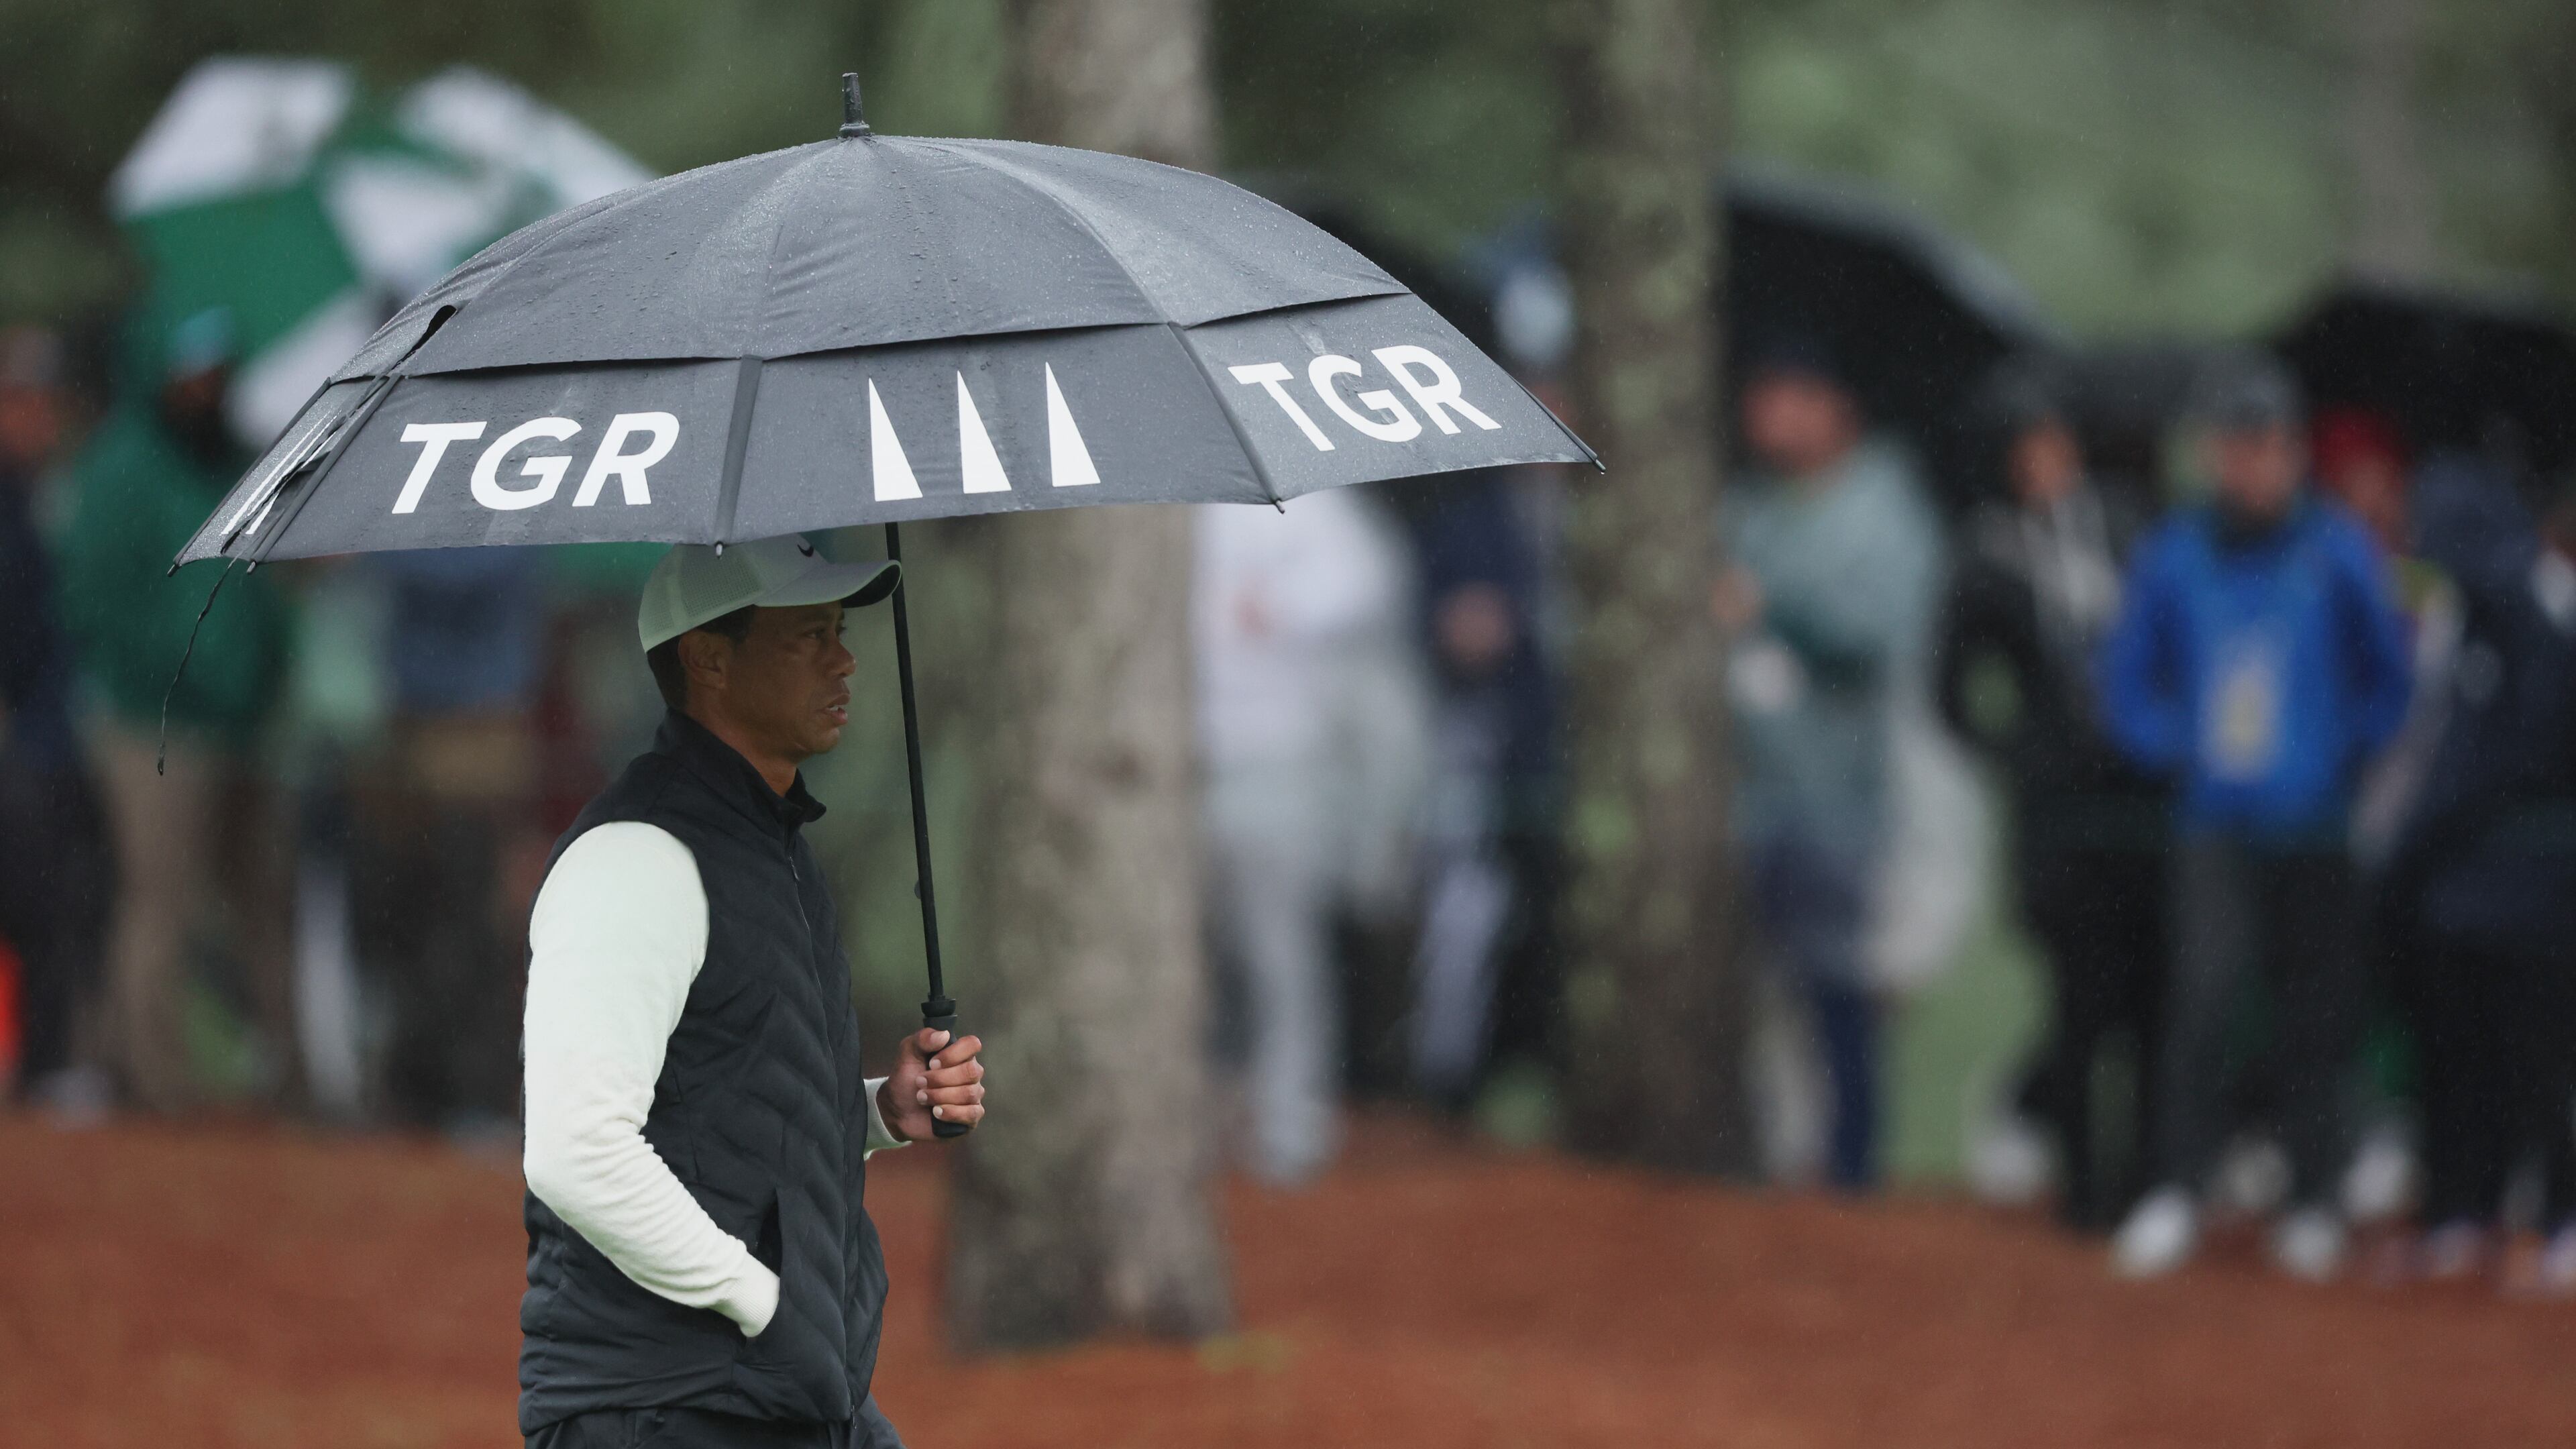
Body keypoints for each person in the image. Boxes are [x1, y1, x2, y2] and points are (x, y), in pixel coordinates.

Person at [519, 534, 983, 1449]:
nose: (844, 657)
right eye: (808, 635)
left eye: (838, 630)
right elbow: (576, 1152)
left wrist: (881, 1112)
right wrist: (765, 1305)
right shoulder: (636, 858)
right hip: (672, 1407)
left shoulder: (769, 843)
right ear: (710, 660)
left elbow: (716, 1102)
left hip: (773, 1393)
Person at [2099, 353, 2412, 1282]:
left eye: (2266, 447)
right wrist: (2172, 747)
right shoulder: (2176, 552)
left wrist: (2339, 755)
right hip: (2211, 820)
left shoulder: (2338, 551)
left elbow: (2387, 678)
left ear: (2292, 453)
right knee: (2201, 998)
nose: (2249, 466)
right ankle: (2175, 1190)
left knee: (2317, 1013)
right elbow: (2127, 677)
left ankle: (2314, 1195)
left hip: (2311, 824)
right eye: (2233, 449)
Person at [1935, 363, 2166, 1230]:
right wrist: (2018, 754)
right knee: (2080, 1000)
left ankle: (2149, 1178)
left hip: (2143, 806)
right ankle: (2084, 1191)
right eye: (2026, 449)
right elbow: (1950, 691)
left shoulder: (2126, 526)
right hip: (2060, 818)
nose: (2045, 461)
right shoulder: (1987, 554)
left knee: (2149, 998)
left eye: (2053, 442)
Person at [1716, 334, 1944, 1193]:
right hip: (1748, 787)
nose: (1769, 414)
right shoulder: (1749, 508)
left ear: (1838, 409)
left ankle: (1852, 1169)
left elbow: (1876, 633)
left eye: (1790, 396)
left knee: (1838, 988)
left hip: (1838, 794)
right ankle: (1772, 1155)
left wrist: (1773, 606)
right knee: (1744, 996)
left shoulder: (1884, 510)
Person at [54, 305, 296, 1114]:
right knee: (161, 902)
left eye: (216, 369)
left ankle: (292, 1080)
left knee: (265, 901)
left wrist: (263, 675)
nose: (205, 384)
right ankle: (155, 1082)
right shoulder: (117, 467)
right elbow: (93, 603)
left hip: (243, 722)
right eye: (190, 369)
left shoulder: (241, 459)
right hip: (149, 724)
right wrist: (174, 674)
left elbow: (266, 589)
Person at [1195, 486, 1429, 1185]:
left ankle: (1291, 1128)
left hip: (1282, 762)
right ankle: (1210, 1121)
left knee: (1281, 956)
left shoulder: (1305, 500)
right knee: (1197, 968)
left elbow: (1370, 578)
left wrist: (1278, 609)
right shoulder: (1160, 499)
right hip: (1176, 767)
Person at [2383, 455, 2576, 1293]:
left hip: (2533, 892)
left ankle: (2561, 1219)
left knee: (2544, 1062)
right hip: (2450, 892)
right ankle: (2462, 1214)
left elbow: (2493, 759)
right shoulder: (2451, 623)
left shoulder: (2542, 623)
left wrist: (2413, 840)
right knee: (2457, 1059)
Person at [350, 546, 549, 1134]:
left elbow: (479, 573)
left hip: (482, 737)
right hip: (407, 735)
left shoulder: (507, 510)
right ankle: (417, 1088)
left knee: (472, 925)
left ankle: (473, 1091)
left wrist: (384, 548)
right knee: (406, 920)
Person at [1399, 473, 1564, 1112]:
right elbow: (1432, 624)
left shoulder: (1611, 513)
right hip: (1484, 759)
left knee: (1552, 932)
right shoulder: (1470, 522)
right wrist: (1456, 632)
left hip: (1565, 763)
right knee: (1465, 924)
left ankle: (1545, 1074)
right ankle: (1450, 1083)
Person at [0, 326, 116, 1114]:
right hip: (20, 729)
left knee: (46, 899)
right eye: (23, 401)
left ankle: (43, 1062)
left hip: (47, 731)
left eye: (46, 403)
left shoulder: (50, 494)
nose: (38, 418)